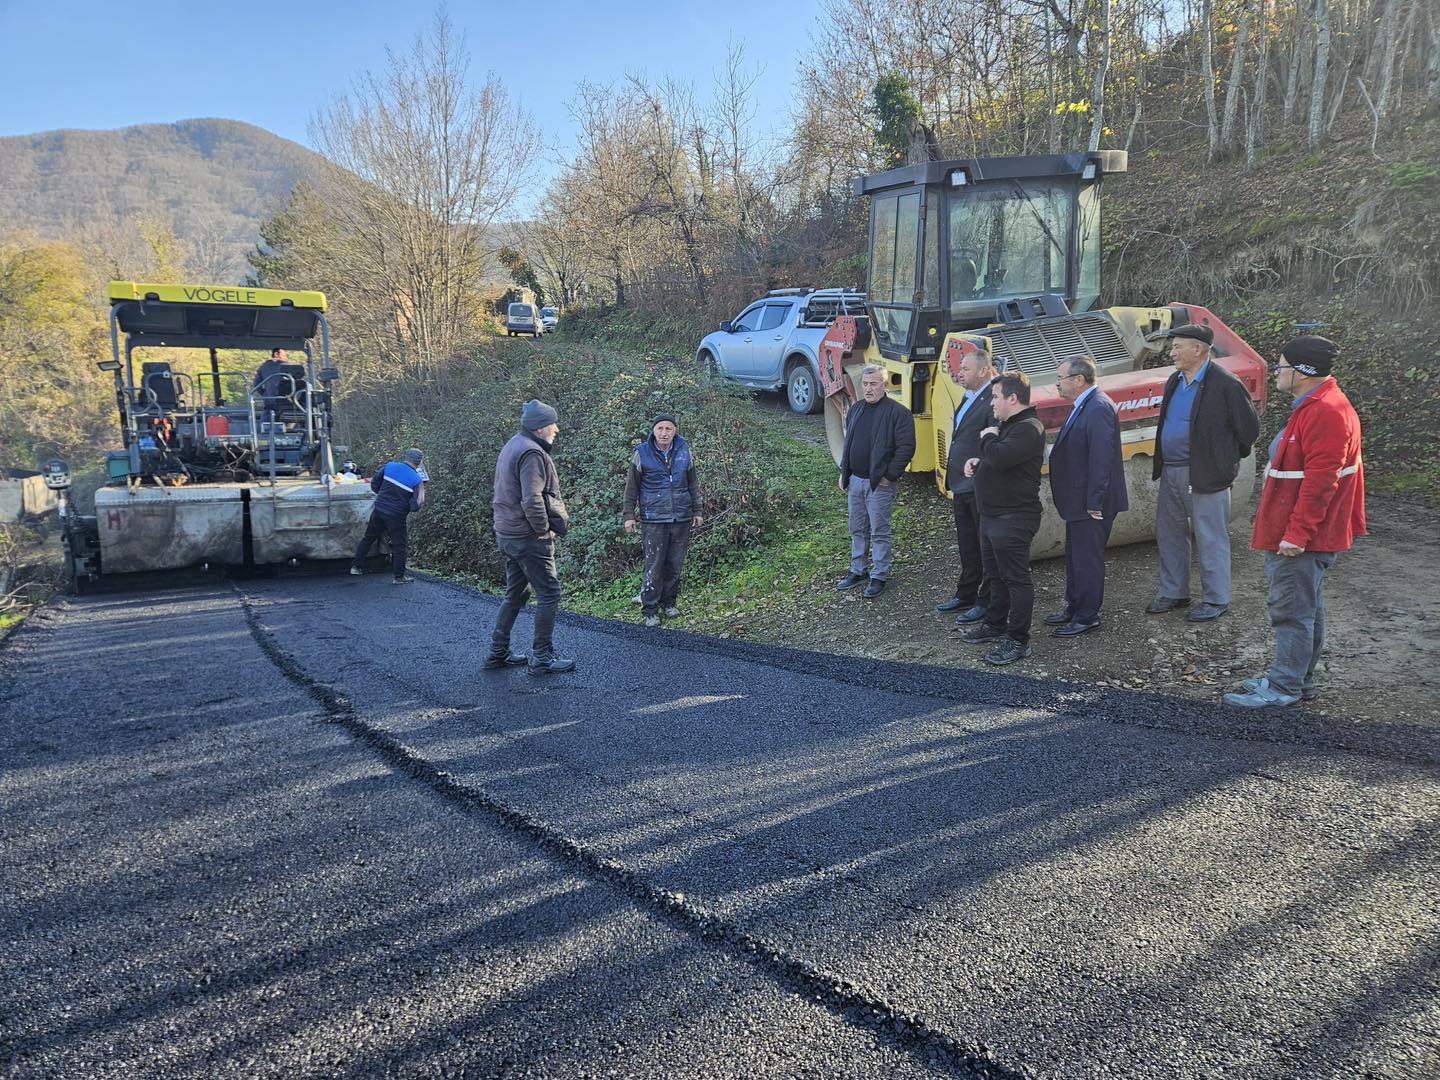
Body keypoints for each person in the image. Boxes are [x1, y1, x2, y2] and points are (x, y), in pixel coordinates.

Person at [1224, 336, 1365, 708]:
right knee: (1307, 609)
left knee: (1292, 611)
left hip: (1300, 537)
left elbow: (1321, 483)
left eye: (1283, 367)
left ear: (1303, 372)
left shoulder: (1326, 412)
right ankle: (1296, 679)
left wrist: (1296, 535)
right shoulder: (1316, 405)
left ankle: (1284, 687)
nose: (1277, 374)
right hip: (1301, 532)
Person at [1147, 323, 1260, 622]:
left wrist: (1223, 462)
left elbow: (1248, 429)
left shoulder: (1226, 383)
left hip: (1206, 473)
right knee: (1170, 534)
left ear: (1198, 349)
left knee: (1211, 537)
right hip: (1171, 471)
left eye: (1177, 347)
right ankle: (1174, 592)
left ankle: (1216, 599)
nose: (1171, 352)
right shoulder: (1175, 380)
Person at [960, 371, 1046, 665]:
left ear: (1012, 398)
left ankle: (1018, 640)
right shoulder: (1008, 427)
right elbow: (997, 461)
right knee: (994, 575)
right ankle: (995, 624)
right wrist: (978, 461)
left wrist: (987, 440)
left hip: (1013, 518)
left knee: (1016, 580)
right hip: (992, 516)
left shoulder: (1028, 428)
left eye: (995, 397)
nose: (991, 403)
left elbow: (999, 457)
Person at [487, 399, 575, 676]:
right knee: (549, 592)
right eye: (552, 424)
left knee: (516, 593)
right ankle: (542, 657)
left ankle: (497, 652)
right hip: (527, 535)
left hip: (507, 532)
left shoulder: (514, 444)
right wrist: (541, 530)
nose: (556, 429)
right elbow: (532, 498)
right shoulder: (532, 453)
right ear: (539, 428)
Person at [1045, 354, 1129, 637]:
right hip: (1079, 501)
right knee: (1075, 556)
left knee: (1087, 559)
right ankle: (1074, 606)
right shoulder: (1084, 405)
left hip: (1093, 504)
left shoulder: (1098, 407)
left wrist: (1095, 500)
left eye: (1061, 378)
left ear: (1078, 380)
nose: (1057, 384)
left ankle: (1086, 616)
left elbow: (1102, 458)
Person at [836, 365, 916, 598]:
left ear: (885, 385)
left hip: (879, 484)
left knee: (879, 530)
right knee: (857, 528)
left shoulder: (898, 413)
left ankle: (879, 574)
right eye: (865, 384)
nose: (868, 389)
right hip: (855, 480)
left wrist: (889, 476)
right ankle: (858, 570)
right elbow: (848, 442)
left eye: (873, 384)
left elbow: (906, 448)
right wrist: (844, 472)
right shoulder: (857, 409)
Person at [623, 414, 704, 628]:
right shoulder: (642, 453)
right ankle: (650, 608)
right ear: (653, 431)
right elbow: (631, 488)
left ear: (675, 430)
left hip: (681, 516)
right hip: (654, 518)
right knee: (654, 565)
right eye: (660, 428)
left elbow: (693, 484)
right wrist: (629, 515)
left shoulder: (684, 450)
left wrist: (697, 510)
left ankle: (669, 603)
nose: (665, 432)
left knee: (674, 564)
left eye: (669, 428)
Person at [936, 347, 998, 625]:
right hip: (960, 484)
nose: (959, 373)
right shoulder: (969, 396)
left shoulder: (992, 401)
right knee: (967, 544)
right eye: (960, 368)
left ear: (984, 371)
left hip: (978, 486)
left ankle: (985, 602)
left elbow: (991, 445)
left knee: (983, 546)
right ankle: (966, 592)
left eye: (966, 369)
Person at [350, 448, 427, 584]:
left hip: (379, 509)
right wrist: (406, 507)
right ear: (419, 462)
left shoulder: (389, 466)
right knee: (399, 545)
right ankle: (399, 577)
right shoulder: (417, 480)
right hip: (396, 516)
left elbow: (374, 484)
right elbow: (418, 503)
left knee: (368, 537)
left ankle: (356, 567)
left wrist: (382, 496)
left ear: (406, 457)